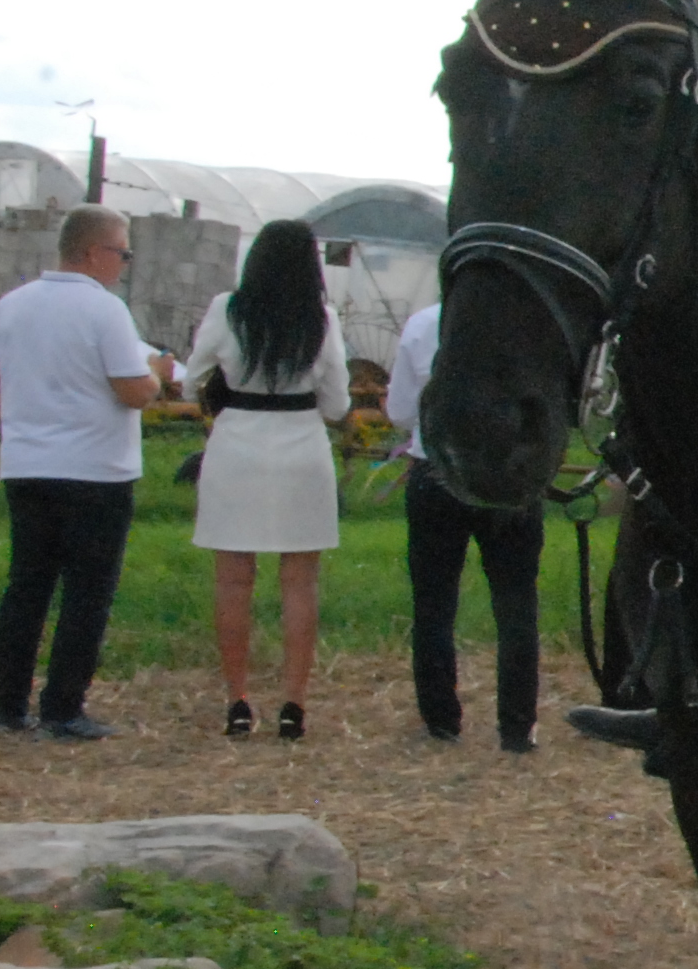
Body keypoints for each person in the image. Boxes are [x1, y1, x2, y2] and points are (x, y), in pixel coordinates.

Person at [0, 208, 173, 740]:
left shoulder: (13, 305)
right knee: (87, 591)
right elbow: (131, 389)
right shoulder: (104, 310)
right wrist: (156, 378)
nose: (124, 264)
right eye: (122, 253)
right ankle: (63, 706)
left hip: (27, 465)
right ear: (92, 252)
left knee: (27, 585)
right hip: (95, 470)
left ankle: (8, 704)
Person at [180, 220, 352, 740]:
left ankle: (238, 701)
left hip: (237, 447)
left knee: (234, 581)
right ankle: (293, 705)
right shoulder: (321, 318)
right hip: (301, 448)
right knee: (299, 583)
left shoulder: (226, 310)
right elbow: (338, 403)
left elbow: (191, 380)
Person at [387, 298, 545, 752]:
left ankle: (441, 720)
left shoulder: (422, 325)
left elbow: (399, 411)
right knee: (516, 603)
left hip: (437, 470)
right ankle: (517, 725)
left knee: (433, 602)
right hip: (508, 474)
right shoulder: (523, 322)